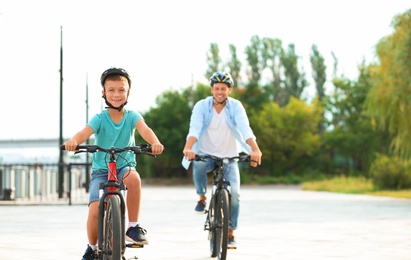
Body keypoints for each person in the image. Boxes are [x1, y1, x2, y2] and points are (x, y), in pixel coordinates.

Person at [64, 67, 164, 260]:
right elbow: (84, 132)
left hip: (124, 166)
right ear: (103, 93)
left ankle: (132, 227)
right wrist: (74, 142)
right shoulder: (100, 118)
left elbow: (145, 129)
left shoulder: (132, 116)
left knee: (134, 179)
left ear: (128, 93)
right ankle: (92, 247)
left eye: (121, 90)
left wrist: (155, 143)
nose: (116, 94)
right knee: (94, 211)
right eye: (111, 90)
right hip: (101, 171)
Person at [182, 71, 262, 248]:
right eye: (216, 88)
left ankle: (231, 232)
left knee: (235, 194)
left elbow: (245, 128)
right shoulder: (201, 106)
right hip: (206, 154)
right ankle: (202, 197)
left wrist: (255, 150)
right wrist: (189, 147)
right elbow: (194, 128)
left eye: (223, 89)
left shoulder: (236, 106)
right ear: (211, 89)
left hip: (229, 157)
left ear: (229, 90)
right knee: (200, 164)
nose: (220, 91)